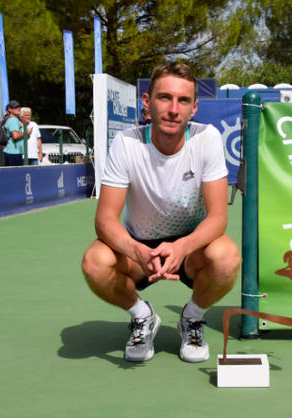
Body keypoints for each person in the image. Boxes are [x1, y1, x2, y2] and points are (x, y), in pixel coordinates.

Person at [82, 62, 241, 363]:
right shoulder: (126, 143)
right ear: (147, 102)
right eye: (164, 98)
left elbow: (218, 217)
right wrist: (138, 251)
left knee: (227, 259)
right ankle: (143, 316)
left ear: (194, 108)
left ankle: (191, 319)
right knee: (94, 263)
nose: (173, 109)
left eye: (183, 101)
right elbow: (104, 220)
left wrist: (182, 246)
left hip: (191, 248)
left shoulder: (207, 138)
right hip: (140, 247)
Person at [3, 100, 31, 166]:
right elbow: (15, 136)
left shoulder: (15, 120)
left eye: (19, 107)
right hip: (13, 153)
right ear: (10, 109)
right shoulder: (13, 120)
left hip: (15, 152)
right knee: (14, 175)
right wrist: (26, 132)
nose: (18, 108)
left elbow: (21, 137)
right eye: (15, 107)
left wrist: (27, 134)